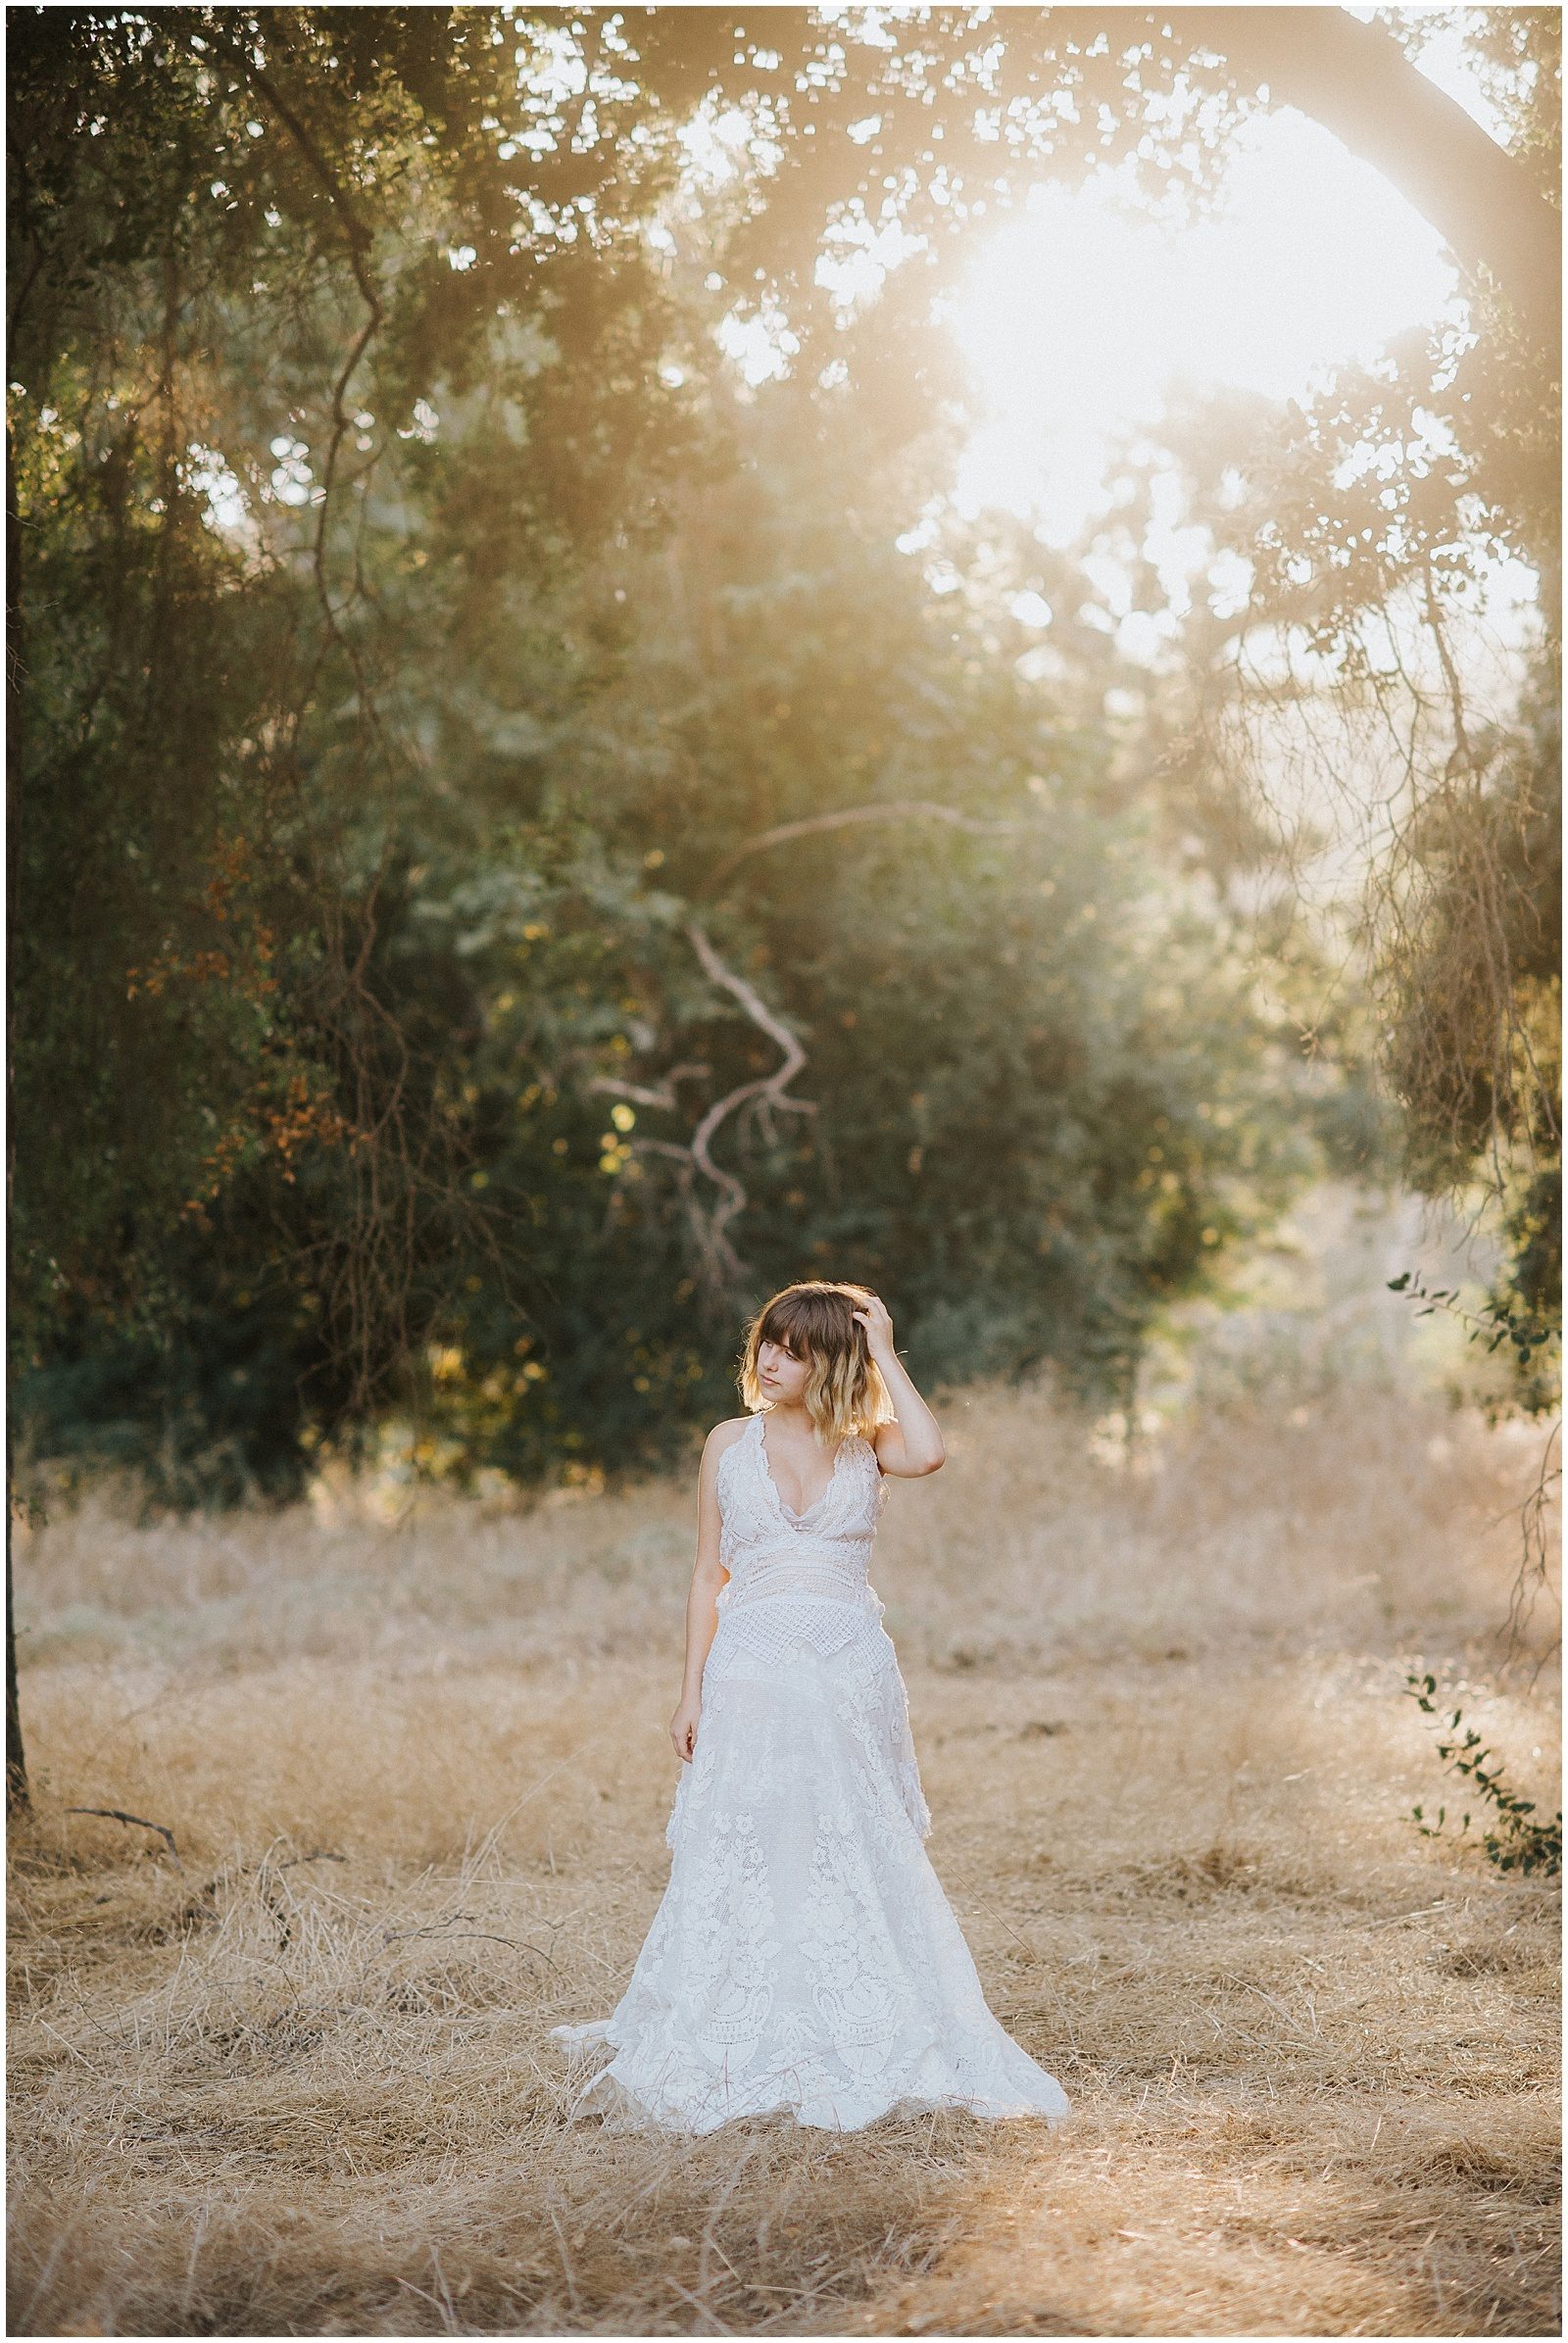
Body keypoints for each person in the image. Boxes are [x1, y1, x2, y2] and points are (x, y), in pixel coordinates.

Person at [550, 1279, 1072, 2133]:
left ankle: (861, 2012)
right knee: (752, 1836)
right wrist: (689, 1690)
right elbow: (706, 1573)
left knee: (852, 1835)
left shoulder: (868, 1441)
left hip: (847, 1667)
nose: (770, 1359)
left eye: (794, 1349)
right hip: (750, 1666)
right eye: (767, 1340)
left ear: (830, 1361)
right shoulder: (727, 1441)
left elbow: (932, 1453)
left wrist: (888, 1352)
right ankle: (742, 2011)